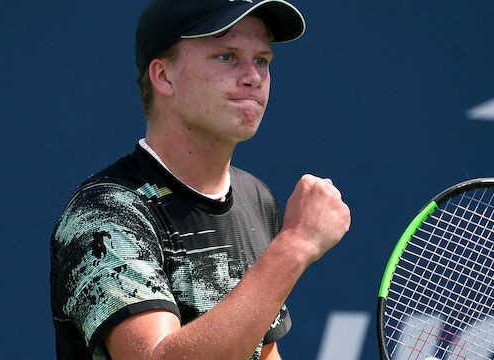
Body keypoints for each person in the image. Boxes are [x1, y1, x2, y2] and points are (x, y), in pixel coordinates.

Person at [50, 0, 351, 359]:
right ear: (164, 76)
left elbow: (261, 351)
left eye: (262, 60)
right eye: (226, 56)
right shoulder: (105, 213)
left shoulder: (256, 197)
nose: (253, 76)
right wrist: (295, 246)